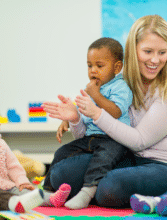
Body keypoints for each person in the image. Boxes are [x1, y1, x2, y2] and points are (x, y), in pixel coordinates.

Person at [43, 14, 167, 208]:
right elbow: (91, 134)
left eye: (162, 52)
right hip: (131, 159)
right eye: (148, 51)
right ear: (133, 51)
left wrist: (97, 113)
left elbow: (140, 141)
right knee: (61, 174)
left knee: (109, 187)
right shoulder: (122, 82)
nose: (155, 60)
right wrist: (75, 118)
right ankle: (100, 193)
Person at [43, 37, 133, 209]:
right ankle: (48, 192)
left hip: (113, 140)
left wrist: (96, 94)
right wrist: (68, 120)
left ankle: (87, 192)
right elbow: (82, 114)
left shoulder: (120, 87)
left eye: (99, 66)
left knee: (101, 160)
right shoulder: (92, 89)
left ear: (117, 67)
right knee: (62, 152)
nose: (93, 71)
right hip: (91, 138)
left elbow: (115, 112)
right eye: (89, 65)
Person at [0, 96, 71, 207]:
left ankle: (52, 198)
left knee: (27, 193)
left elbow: (13, 166)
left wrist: (22, 182)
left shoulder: (0, 144)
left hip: (7, 187)